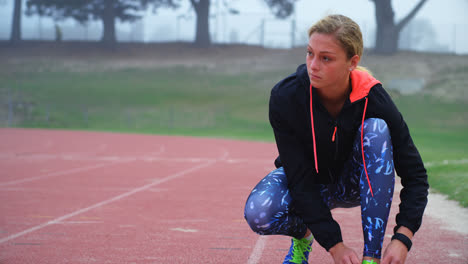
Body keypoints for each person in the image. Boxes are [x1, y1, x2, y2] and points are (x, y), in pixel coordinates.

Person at [244, 14, 428, 264]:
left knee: (375, 129)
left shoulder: (375, 100)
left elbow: (415, 175)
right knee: (259, 212)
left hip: (354, 183)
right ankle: (303, 237)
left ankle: (371, 258)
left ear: (352, 62)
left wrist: (403, 236)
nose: (313, 65)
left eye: (326, 58)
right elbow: (299, 178)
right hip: (310, 181)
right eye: (310, 53)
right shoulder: (286, 97)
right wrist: (334, 244)